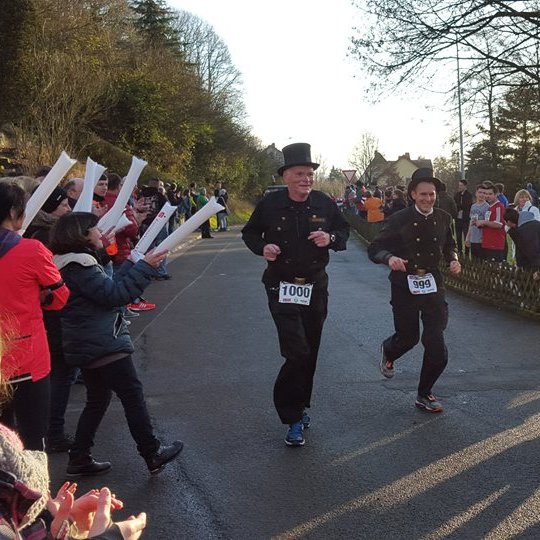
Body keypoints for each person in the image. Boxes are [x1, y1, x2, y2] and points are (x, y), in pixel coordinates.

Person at [49, 212, 183, 477]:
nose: (101, 233)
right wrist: (144, 267)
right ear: (81, 235)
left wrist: (132, 264)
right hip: (103, 343)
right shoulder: (80, 266)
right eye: (95, 229)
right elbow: (116, 294)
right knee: (131, 396)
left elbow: (105, 288)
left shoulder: (70, 265)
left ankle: (79, 457)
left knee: (97, 399)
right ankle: (151, 452)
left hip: (87, 342)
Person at [242, 143, 349, 446]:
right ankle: (291, 417)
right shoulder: (270, 205)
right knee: (297, 351)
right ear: (286, 176)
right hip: (281, 286)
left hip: (315, 286)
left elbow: (344, 233)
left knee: (310, 350)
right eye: (300, 173)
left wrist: (330, 238)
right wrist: (263, 247)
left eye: (310, 173)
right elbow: (249, 233)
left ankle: (301, 407)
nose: (307, 178)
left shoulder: (324, 203)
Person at [367, 168, 461, 413]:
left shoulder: (443, 218)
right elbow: (375, 247)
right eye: (423, 194)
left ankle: (424, 393)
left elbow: (450, 244)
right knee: (408, 338)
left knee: (436, 345)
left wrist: (453, 258)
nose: (428, 199)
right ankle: (389, 350)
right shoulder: (399, 219)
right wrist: (389, 258)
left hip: (432, 285)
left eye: (432, 194)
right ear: (412, 195)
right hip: (404, 285)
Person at [0, 182, 70, 451]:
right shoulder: (32, 250)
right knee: (32, 440)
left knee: (3, 444)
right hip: (27, 356)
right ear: (15, 212)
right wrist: (40, 297)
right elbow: (60, 296)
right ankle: (37, 491)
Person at [477, 183, 506, 262]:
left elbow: (499, 224)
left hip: (495, 244)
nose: (487, 196)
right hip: (487, 242)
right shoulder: (490, 207)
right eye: (486, 194)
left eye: (490, 194)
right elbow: (489, 222)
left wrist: (484, 222)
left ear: (496, 194)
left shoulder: (498, 206)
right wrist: (480, 224)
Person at [465, 184, 490, 260]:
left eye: (484, 193)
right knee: (474, 261)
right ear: (476, 193)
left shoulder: (487, 207)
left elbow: (487, 222)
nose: (481, 195)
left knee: (481, 262)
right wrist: (468, 237)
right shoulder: (473, 206)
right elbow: (471, 222)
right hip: (473, 238)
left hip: (482, 239)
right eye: (480, 192)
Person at [454, 179, 473, 255]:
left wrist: (461, 206)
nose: (460, 187)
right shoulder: (457, 195)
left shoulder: (469, 195)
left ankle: (467, 252)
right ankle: (459, 251)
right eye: (459, 185)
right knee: (458, 236)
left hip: (465, 218)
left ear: (465, 186)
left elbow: (467, 205)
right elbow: (455, 204)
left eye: (461, 185)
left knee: (466, 235)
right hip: (458, 218)